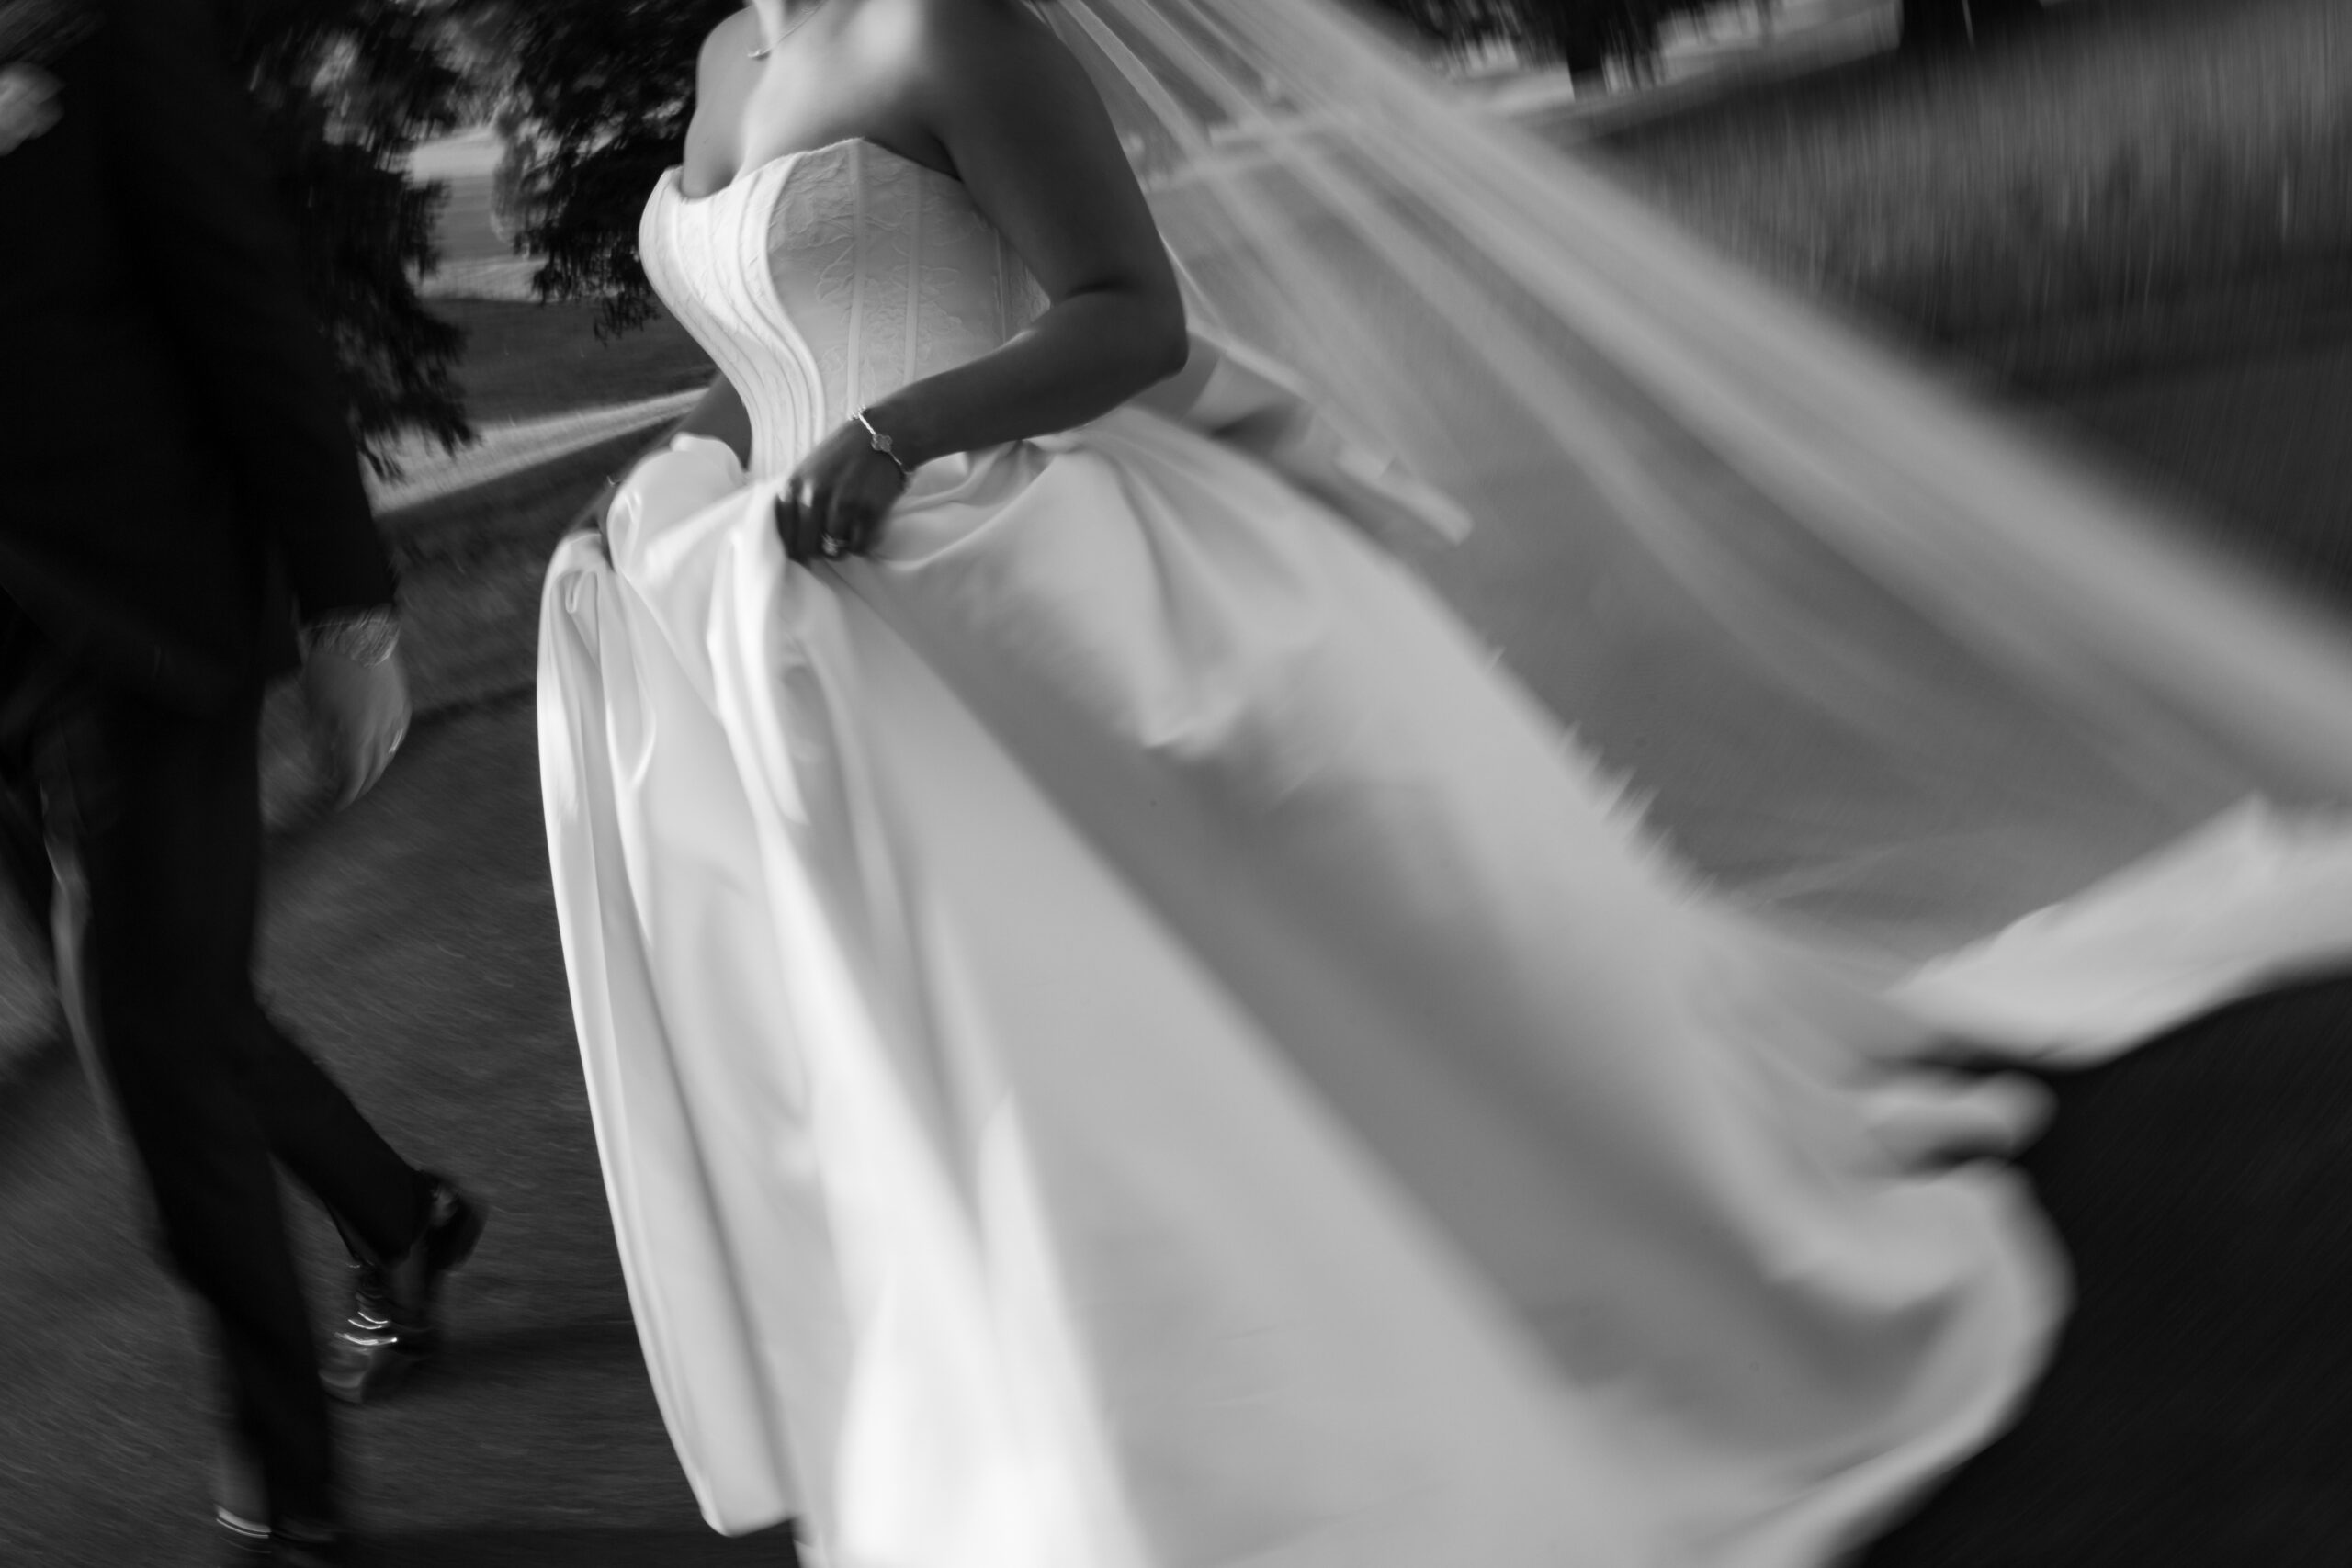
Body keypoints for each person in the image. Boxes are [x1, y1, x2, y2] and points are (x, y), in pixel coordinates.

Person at [538, 0, 2352, 1562]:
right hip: (849, 654)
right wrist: (670, 480)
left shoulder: (950, 29)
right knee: (1017, 1071)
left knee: (1277, 997)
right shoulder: (729, 53)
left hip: (1027, 590)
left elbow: (1123, 316)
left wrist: (895, 428)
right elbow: (764, 348)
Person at [0, 0, 483, 1561]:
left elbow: (255, 328)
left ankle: (285, 1498)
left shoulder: (104, 48)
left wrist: (352, 613)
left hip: (141, 635)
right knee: (171, 1018)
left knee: (149, 1046)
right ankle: (403, 1220)